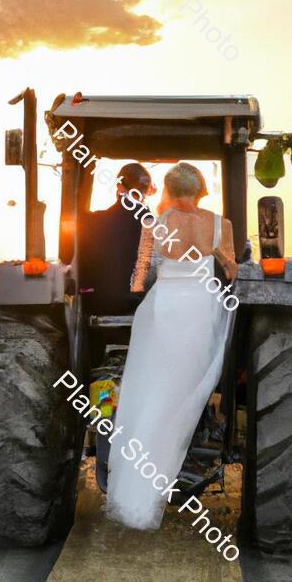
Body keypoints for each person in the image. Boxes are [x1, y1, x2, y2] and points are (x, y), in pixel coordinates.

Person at [106, 162, 236, 530]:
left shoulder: (155, 223)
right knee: (189, 384)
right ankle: (198, 439)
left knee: (157, 388)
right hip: (201, 305)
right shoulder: (218, 224)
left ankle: (142, 479)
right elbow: (232, 271)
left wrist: (138, 289)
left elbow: (139, 275)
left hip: (164, 306)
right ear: (199, 188)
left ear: (167, 187)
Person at [78, 162, 154, 316]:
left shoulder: (92, 221)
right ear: (145, 191)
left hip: (97, 301)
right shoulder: (150, 223)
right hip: (136, 303)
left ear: (119, 187)